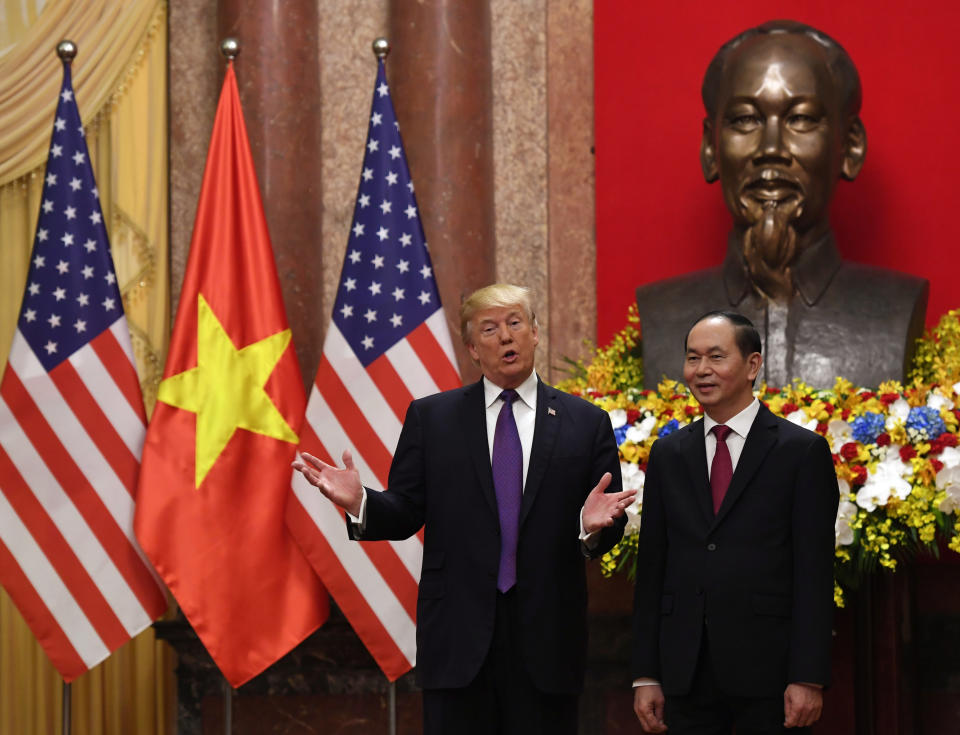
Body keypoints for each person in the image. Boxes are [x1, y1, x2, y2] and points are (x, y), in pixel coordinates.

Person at [293, 283, 635, 735]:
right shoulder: (433, 419)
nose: (505, 337)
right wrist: (362, 502)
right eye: (489, 329)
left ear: (535, 332)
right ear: (473, 348)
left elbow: (607, 518)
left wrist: (590, 528)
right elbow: (406, 509)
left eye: (515, 323)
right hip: (457, 639)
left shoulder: (584, 421)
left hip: (548, 639)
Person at [635, 20, 927, 390]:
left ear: (850, 146)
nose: (770, 148)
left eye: (801, 119)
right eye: (745, 119)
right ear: (711, 148)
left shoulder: (898, 307)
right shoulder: (661, 312)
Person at [632, 311, 839, 734]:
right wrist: (646, 674)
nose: (701, 370)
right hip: (684, 672)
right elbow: (653, 568)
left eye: (715, 357)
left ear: (752, 365)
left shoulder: (801, 453)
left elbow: (814, 573)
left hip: (769, 673)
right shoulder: (669, 454)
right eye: (693, 358)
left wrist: (808, 675)